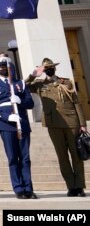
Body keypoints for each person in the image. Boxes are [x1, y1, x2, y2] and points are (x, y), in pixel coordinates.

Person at [25, 57, 87, 197]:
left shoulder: (66, 82)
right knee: (62, 156)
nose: (49, 70)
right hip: (53, 123)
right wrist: (34, 74)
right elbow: (24, 86)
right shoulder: (40, 84)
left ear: (55, 68)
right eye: (46, 68)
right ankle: (71, 186)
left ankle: (80, 186)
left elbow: (76, 103)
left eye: (50, 67)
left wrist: (83, 124)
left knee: (76, 155)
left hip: (71, 122)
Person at [0, 56, 36, 199]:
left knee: (25, 158)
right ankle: (19, 188)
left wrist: (20, 101)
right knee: (13, 158)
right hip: (6, 125)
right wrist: (6, 116)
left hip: (22, 123)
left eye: (6, 66)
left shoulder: (20, 84)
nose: (4, 69)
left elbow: (30, 103)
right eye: (1, 66)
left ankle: (28, 188)